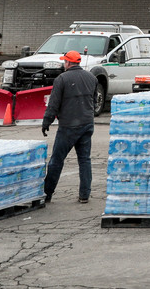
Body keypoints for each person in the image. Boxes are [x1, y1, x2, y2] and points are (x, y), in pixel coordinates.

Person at [41, 50, 97, 204]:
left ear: (68, 63)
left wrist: (47, 122)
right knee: (85, 160)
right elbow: (93, 100)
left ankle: (47, 193)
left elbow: (53, 104)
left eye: (64, 62)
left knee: (57, 160)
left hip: (68, 126)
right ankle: (84, 195)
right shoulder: (91, 78)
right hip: (87, 124)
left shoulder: (62, 79)